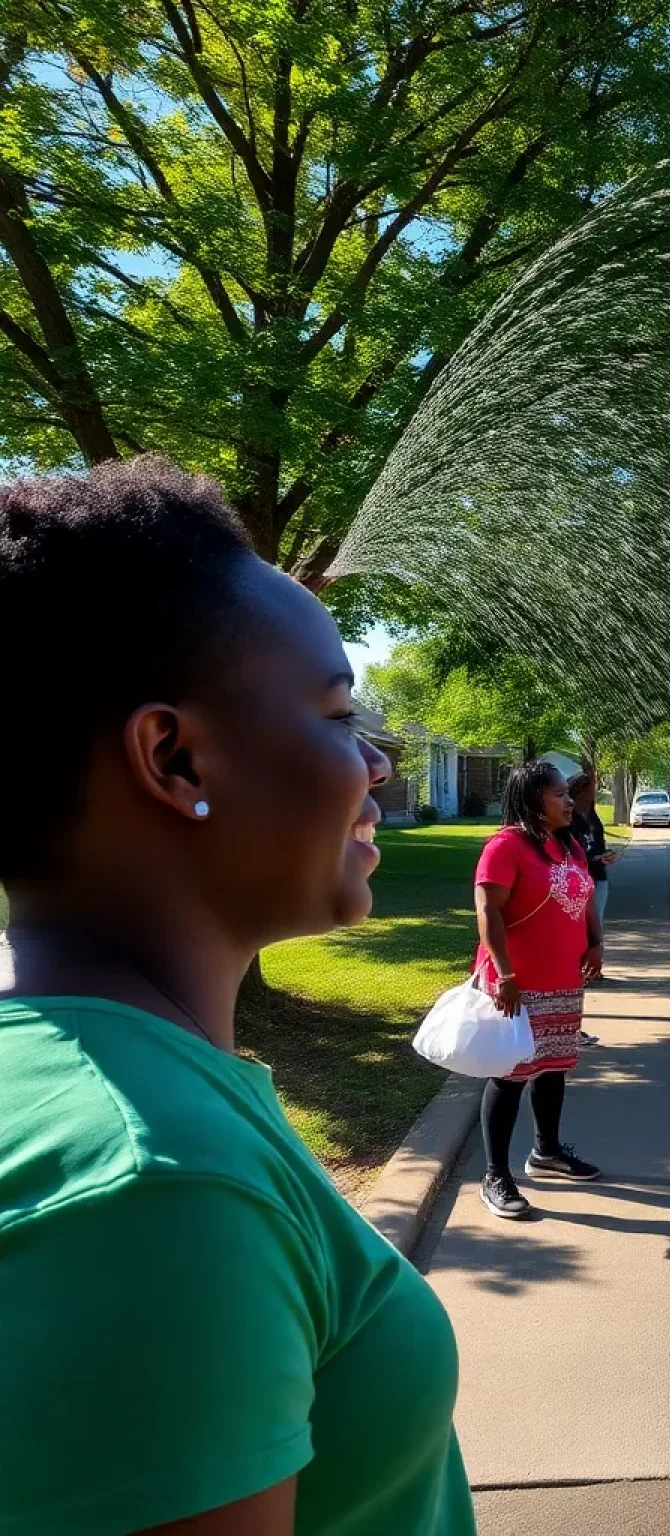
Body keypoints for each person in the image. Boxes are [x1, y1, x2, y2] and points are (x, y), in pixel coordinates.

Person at [0, 458, 475, 1533]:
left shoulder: (93, 1077)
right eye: (338, 711)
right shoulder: (154, 1178)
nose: (379, 765)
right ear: (175, 758)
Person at [475, 760, 604, 1221]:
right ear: (534, 800)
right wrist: (504, 975)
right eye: (559, 795)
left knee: (553, 1067)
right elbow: (488, 911)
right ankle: (495, 1175)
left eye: (568, 794)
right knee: (510, 1073)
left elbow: (585, 895)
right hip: (518, 981)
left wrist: (596, 942)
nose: (570, 802)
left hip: (563, 978)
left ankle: (546, 1153)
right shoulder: (505, 847)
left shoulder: (567, 843)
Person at [568, 772, 617, 985]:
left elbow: (598, 843)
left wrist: (604, 855)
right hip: (578, 877)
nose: (593, 793)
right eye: (589, 789)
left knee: (596, 921)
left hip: (598, 877)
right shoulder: (569, 817)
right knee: (579, 923)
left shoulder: (593, 816)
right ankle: (579, 967)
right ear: (579, 790)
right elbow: (568, 851)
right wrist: (594, 858)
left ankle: (594, 967)